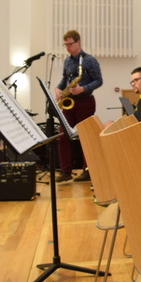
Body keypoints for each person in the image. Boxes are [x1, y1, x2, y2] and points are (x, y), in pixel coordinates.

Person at [54, 29, 103, 182]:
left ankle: (87, 170)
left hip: (85, 102)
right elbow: (64, 80)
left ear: (78, 42)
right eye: (65, 45)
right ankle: (65, 171)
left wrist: (83, 88)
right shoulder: (68, 61)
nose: (68, 48)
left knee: (86, 137)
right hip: (70, 103)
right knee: (63, 136)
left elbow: (99, 80)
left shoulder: (90, 60)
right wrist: (58, 88)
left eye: (70, 44)